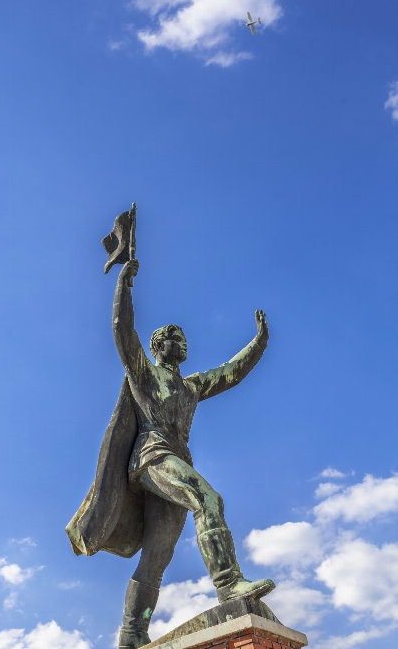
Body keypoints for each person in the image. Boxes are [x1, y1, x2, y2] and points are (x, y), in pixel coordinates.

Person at [113, 259, 275, 649]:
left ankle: (131, 633)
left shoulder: (191, 385)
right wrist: (125, 285)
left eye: (184, 339)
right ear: (157, 347)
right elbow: (122, 331)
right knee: (209, 499)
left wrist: (259, 342)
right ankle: (229, 584)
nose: (182, 343)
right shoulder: (144, 372)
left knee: (157, 557)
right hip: (152, 456)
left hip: (176, 460)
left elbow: (230, 372)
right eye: (174, 337)